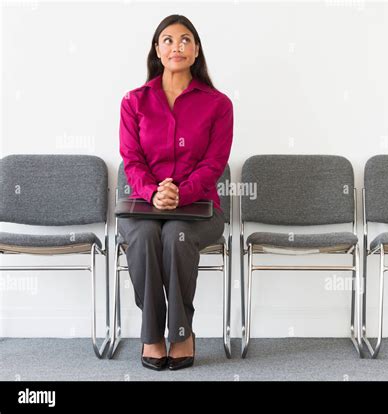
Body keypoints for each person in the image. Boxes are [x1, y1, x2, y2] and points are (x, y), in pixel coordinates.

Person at [118, 14, 233, 371]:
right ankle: (152, 334)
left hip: (198, 209)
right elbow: (131, 159)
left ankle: (181, 332)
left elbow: (214, 165)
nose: (176, 46)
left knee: (177, 235)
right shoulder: (134, 101)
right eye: (167, 40)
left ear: (196, 51)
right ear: (157, 49)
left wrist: (178, 194)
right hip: (143, 205)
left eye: (185, 40)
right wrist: (154, 192)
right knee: (146, 235)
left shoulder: (218, 104)